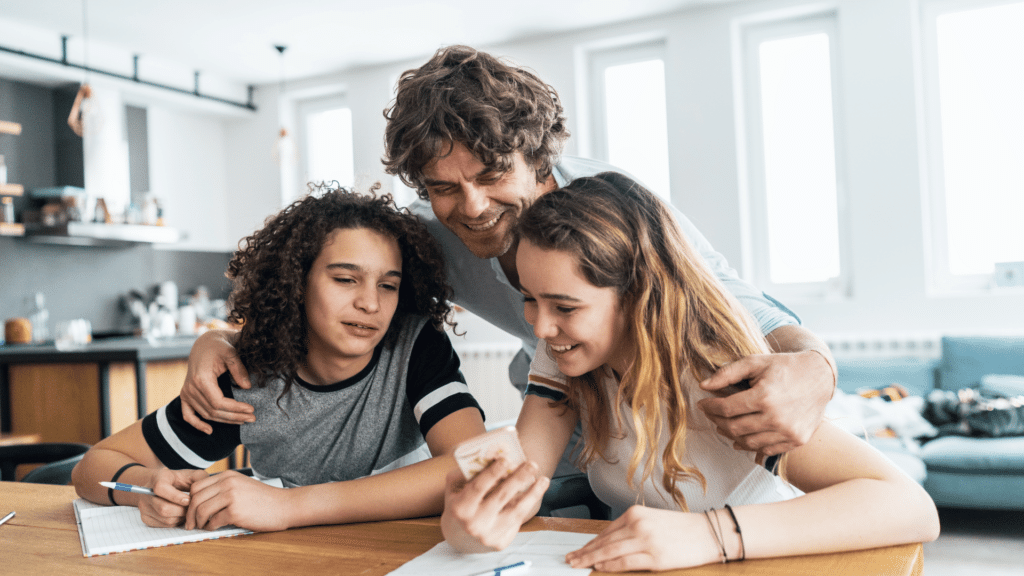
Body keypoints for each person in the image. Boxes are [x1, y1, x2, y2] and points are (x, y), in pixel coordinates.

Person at [178, 44, 836, 466]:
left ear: (538, 158)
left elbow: (737, 300)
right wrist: (221, 337)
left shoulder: (613, 212)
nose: (470, 206)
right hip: (554, 406)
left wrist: (815, 366)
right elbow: (328, 288)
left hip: (654, 408)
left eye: (492, 175)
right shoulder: (423, 236)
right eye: (442, 187)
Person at [440, 173, 940, 571]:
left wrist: (712, 535)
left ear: (638, 298)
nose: (539, 326)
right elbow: (521, 475)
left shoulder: (723, 375)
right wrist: (469, 524)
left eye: (565, 306)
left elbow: (910, 507)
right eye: (530, 297)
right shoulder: (566, 353)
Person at [71, 186, 485, 532]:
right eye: (345, 279)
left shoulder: (415, 346)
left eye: (389, 285)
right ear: (296, 283)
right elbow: (93, 467)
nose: (370, 303)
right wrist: (147, 484)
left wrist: (288, 506)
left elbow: (474, 463)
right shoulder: (246, 380)